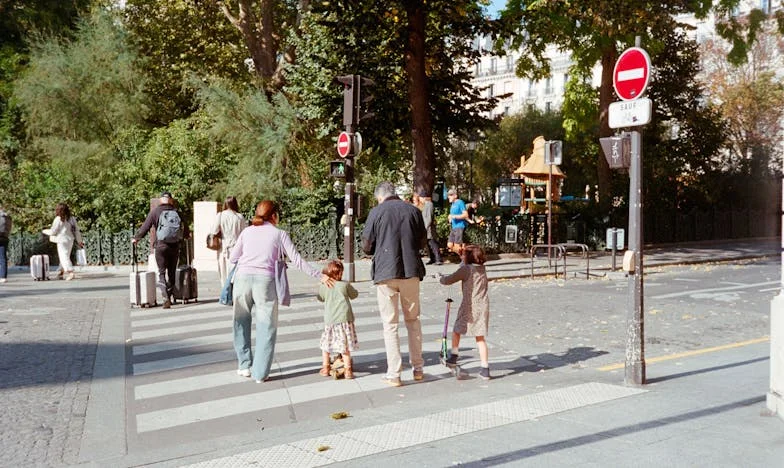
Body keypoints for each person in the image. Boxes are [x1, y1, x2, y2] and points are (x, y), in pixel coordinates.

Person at [229, 200, 334, 383]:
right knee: (266, 326)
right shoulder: (279, 234)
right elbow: (297, 260)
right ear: (274, 216)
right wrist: (320, 276)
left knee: (240, 322)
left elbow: (233, 258)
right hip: (265, 282)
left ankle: (244, 365)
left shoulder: (246, 232)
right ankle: (260, 373)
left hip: (242, 279)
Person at [361, 181, 427, 387]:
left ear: (380, 197)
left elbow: (366, 245)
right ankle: (418, 368)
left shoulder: (377, 212)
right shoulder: (413, 211)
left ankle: (394, 373)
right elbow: (422, 241)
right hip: (411, 271)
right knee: (413, 321)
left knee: (390, 325)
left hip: (385, 273)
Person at [438, 244, 491, 380]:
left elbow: (449, 279)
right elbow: (464, 264)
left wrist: (440, 278)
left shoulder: (466, 270)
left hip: (469, 305)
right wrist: (463, 257)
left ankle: (454, 355)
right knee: (480, 337)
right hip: (483, 306)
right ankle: (485, 368)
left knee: (457, 330)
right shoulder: (481, 268)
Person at [132, 191, 186, 309]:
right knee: (171, 273)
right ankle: (169, 296)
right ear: (171, 200)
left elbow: (145, 227)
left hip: (161, 246)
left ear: (161, 200)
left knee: (161, 272)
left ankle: (165, 296)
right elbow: (185, 229)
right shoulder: (177, 212)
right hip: (174, 246)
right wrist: (186, 236)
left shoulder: (155, 212)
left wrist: (136, 238)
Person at [317, 260, 359, 380]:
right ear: (340, 273)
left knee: (326, 345)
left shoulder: (325, 286)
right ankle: (348, 371)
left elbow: (320, 298)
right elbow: (354, 295)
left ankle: (325, 368)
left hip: (330, 321)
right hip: (345, 320)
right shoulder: (345, 285)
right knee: (344, 346)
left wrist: (321, 285)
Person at [210, 196, 247, 286]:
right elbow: (244, 233)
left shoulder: (221, 215)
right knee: (235, 274)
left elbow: (213, 231)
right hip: (237, 248)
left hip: (224, 247)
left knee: (224, 274)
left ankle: (225, 295)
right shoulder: (240, 217)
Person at [49, 203, 84, 281]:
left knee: (63, 256)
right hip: (70, 240)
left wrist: (46, 232)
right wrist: (79, 241)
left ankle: (70, 272)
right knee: (65, 255)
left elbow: (53, 231)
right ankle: (60, 273)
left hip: (61, 240)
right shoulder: (72, 219)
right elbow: (76, 230)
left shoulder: (58, 219)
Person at [418, 189, 442, 265]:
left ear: (423, 197)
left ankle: (438, 259)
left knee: (432, 243)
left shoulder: (429, 204)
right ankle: (432, 258)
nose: (420, 199)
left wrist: (425, 228)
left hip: (429, 228)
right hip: (427, 227)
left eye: (420, 197)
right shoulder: (426, 205)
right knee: (428, 244)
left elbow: (428, 218)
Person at [446, 188, 469, 255]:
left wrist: (454, 216)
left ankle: (464, 258)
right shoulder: (452, 204)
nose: (448, 197)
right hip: (454, 227)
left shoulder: (460, 202)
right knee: (449, 245)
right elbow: (452, 215)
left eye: (450, 195)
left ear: (455, 196)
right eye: (448, 195)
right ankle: (465, 254)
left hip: (460, 226)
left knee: (457, 246)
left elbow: (465, 215)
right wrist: (450, 218)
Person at [0, 204, 11, 284]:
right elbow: (9, 228)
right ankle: (3, 276)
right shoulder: (8, 217)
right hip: (4, 237)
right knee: (3, 258)